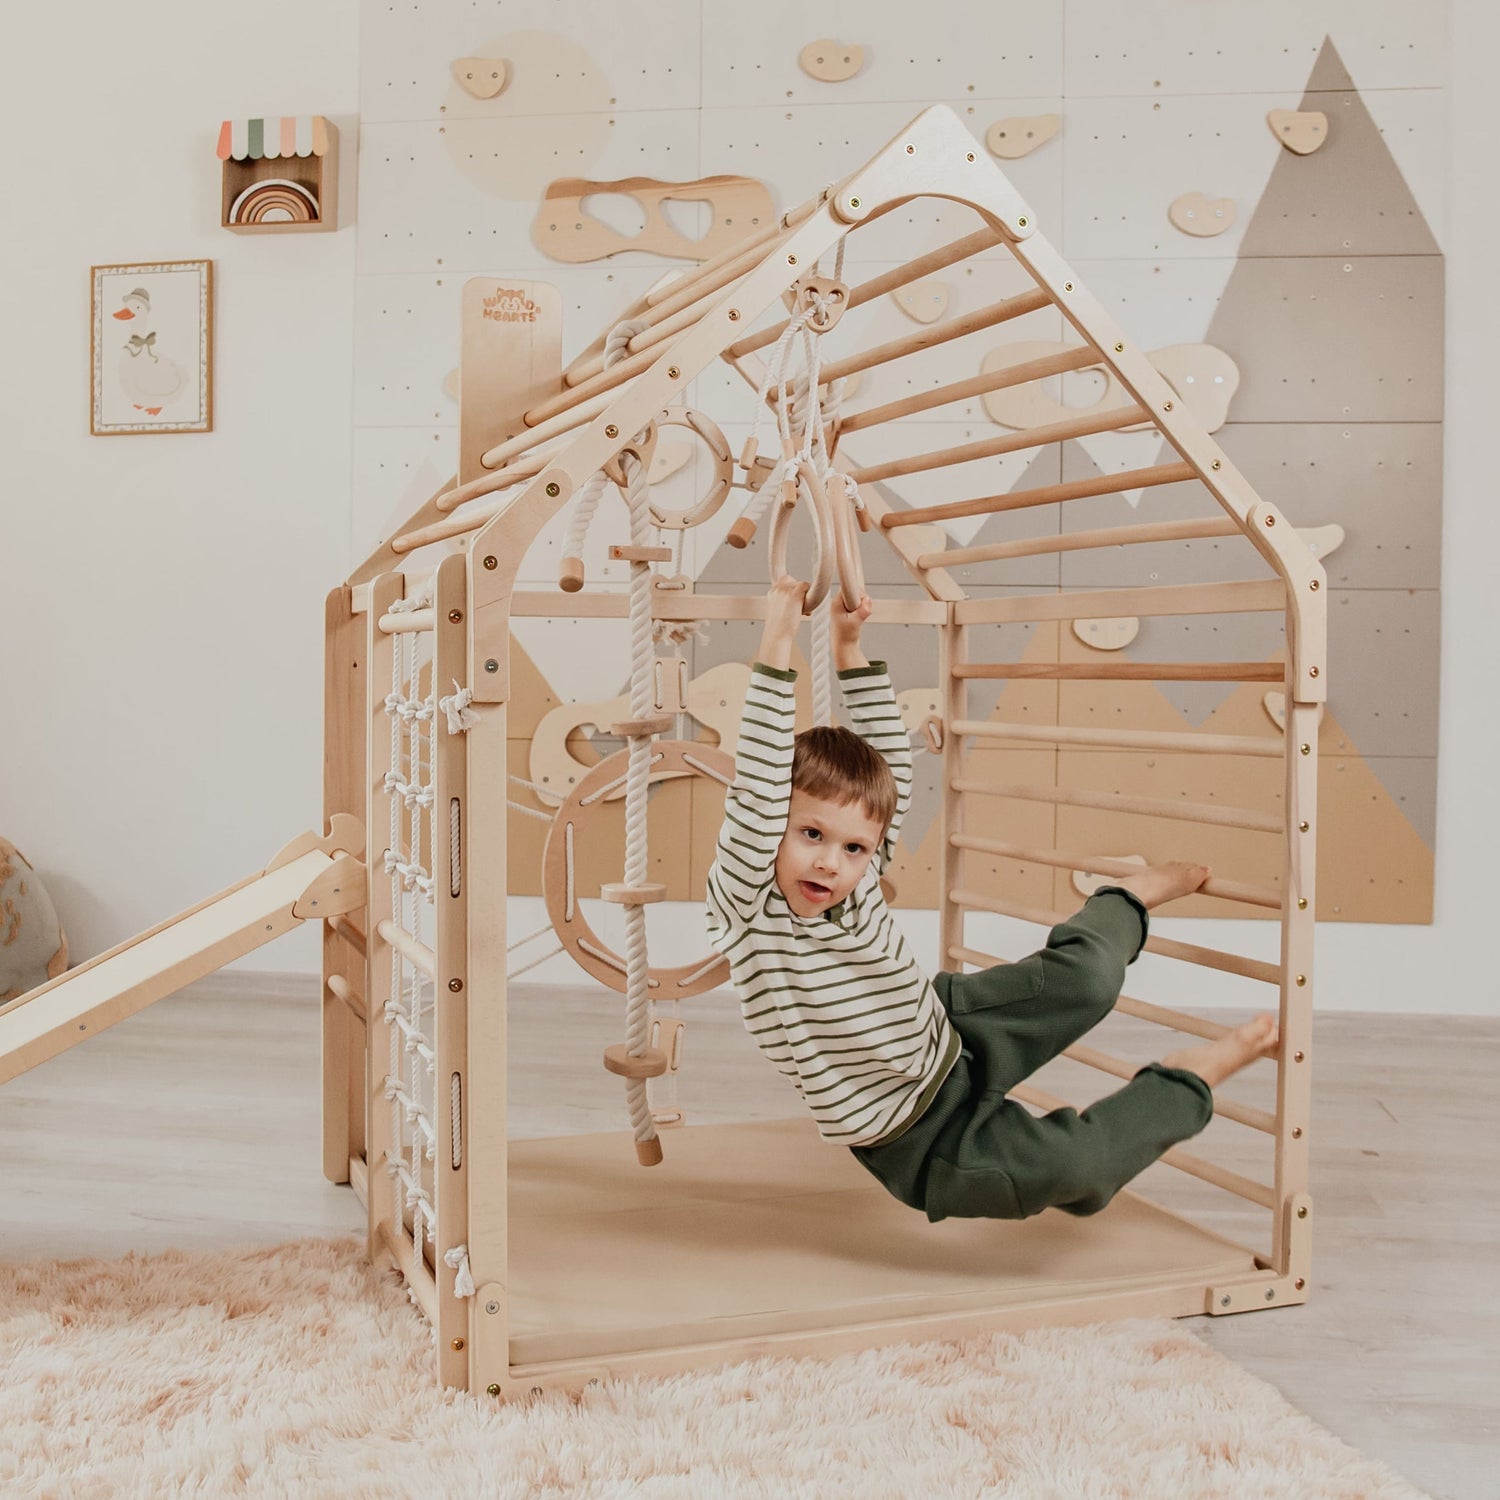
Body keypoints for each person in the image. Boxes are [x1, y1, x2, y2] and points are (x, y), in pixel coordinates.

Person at [705, 576, 1280, 1223]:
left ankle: (1125, 901)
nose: (829, 862)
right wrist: (777, 637)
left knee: (1089, 982)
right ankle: (1187, 1079)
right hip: (920, 1137)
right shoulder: (751, 905)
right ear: (772, 828)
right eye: (810, 834)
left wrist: (848, 648)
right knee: (1077, 1173)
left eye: (853, 847)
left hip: (949, 1026)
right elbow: (757, 788)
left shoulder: (858, 879)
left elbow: (891, 767)